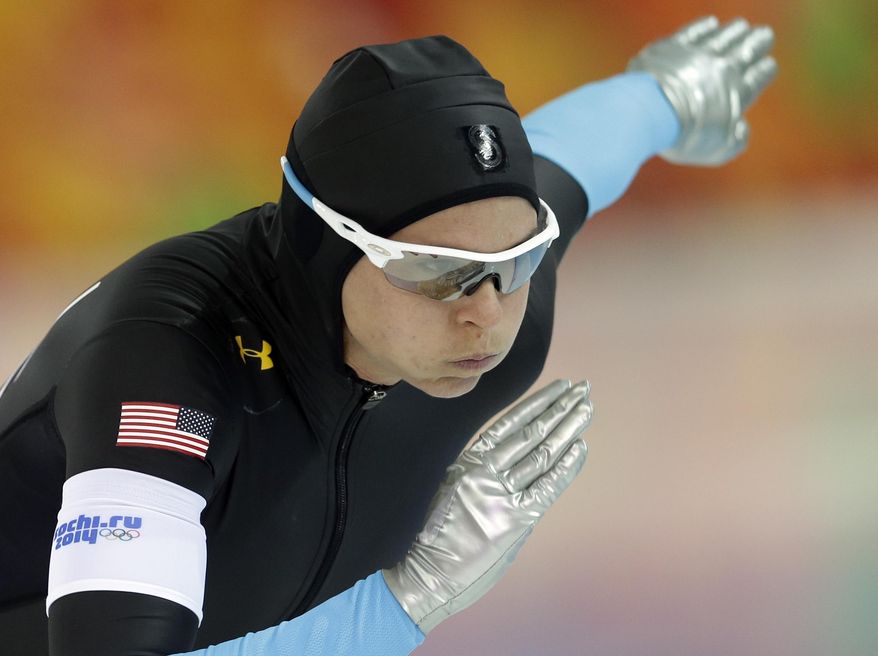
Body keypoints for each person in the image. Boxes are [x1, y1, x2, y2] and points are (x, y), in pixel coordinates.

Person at [0, 15, 776, 656]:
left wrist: (669, 92)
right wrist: (406, 600)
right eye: (435, 270)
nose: (486, 312)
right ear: (327, 246)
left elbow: (575, 153)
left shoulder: (496, 282)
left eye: (517, 259)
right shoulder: (168, 358)